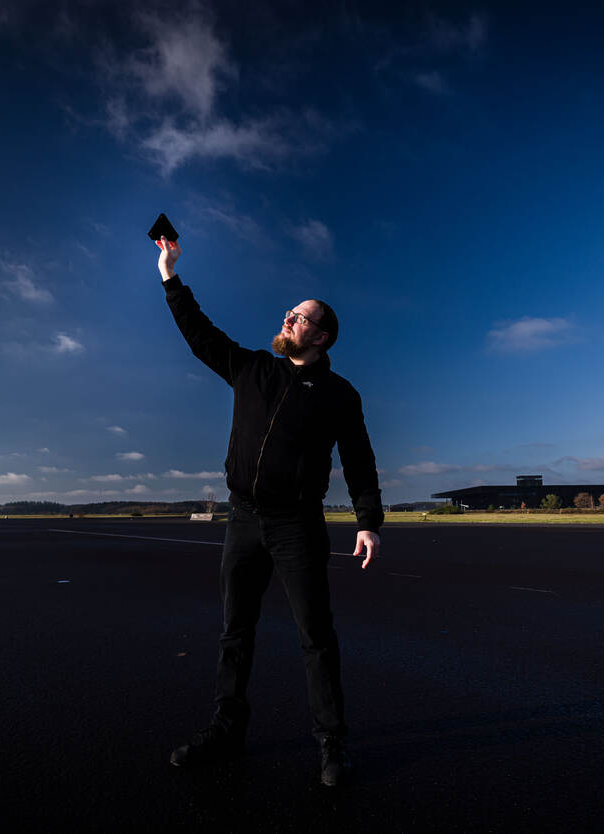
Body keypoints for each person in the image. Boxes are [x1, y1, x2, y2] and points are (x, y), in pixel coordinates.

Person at [156, 234, 382, 788]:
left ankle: (331, 747)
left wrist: (368, 521)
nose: (288, 319)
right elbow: (200, 335)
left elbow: (358, 458)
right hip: (243, 519)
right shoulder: (252, 368)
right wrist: (169, 275)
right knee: (236, 632)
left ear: (321, 335)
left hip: (297, 526)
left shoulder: (339, 394)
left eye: (299, 317)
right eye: (288, 313)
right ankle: (227, 730)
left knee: (316, 637)